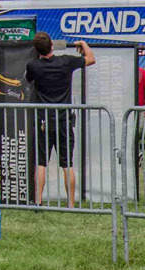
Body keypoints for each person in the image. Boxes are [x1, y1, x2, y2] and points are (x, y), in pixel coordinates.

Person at [25, 32, 94, 208]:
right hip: (64, 119)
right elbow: (91, 59)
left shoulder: (34, 66)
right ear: (52, 46)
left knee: (41, 163)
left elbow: (28, 79)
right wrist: (83, 44)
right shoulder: (65, 62)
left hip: (43, 120)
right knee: (67, 163)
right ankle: (71, 204)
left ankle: (38, 202)